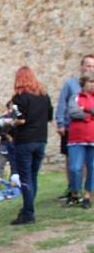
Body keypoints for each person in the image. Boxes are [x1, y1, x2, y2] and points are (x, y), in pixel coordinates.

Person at [10, 66, 53, 225]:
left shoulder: (19, 98)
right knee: (33, 176)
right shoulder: (44, 96)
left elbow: (19, 119)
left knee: (25, 177)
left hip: (25, 141)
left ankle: (28, 213)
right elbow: (49, 117)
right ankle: (27, 209)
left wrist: (10, 122)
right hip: (41, 139)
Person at [55, 55, 94, 200]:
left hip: (90, 130)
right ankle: (72, 188)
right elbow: (62, 105)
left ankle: (86, 189)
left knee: (89, 162)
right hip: (70, 128)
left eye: (93, 66)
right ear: (82, 66)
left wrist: (86, 112)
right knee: (72, 161)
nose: (90, 68)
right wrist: (60, 123)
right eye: (88, 65)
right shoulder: (70, 84)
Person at [67, 73, 94, 208]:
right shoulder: (75, 97)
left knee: (92, 168)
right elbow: (73, 112)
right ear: (83, 84)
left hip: (92, 138)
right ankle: (75, 193)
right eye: (90, 82)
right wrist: (90, 115)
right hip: (76, 138)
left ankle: (87, 195)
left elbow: (81, 113)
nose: (92, 85)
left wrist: (85, 111)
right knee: (75, 168)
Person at [0, 102, 18, 190]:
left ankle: (13, 183)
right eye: (9, 109)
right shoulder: (2, 119)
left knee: (15, 166)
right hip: (4, 145)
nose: (11, 111)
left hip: (15, 145)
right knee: (0, 165)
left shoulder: (18, 119)